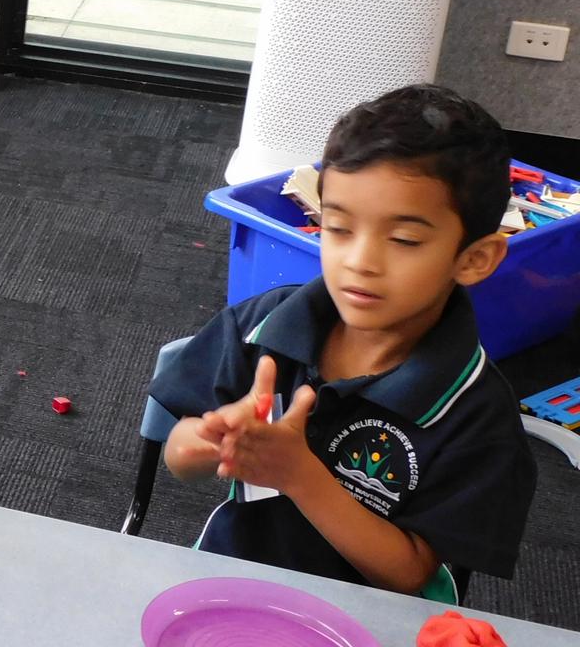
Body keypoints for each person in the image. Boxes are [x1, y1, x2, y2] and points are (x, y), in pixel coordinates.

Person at [152, 84, 536, 601]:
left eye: (403, 240)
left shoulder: (478, 414)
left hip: (373, 616)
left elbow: (408, 576)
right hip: (238, 582)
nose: (360, 261)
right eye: (337, 228)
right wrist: (212, 440)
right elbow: (178, 457)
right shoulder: (261, 325)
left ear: (474, 259)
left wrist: (299, 475)